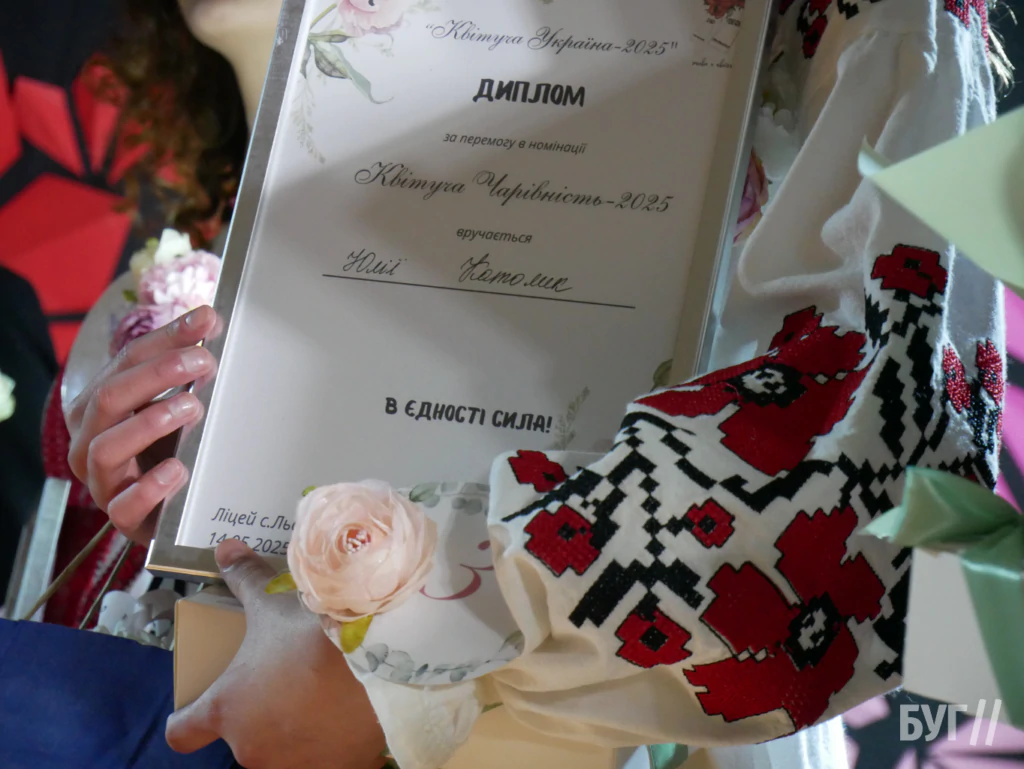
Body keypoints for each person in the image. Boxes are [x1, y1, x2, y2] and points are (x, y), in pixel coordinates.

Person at [66, 1, 1011, 768]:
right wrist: (209, 474)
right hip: (254, 676)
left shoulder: (880, 22)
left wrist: (402, 660)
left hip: (597, 724)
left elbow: (881, 461)